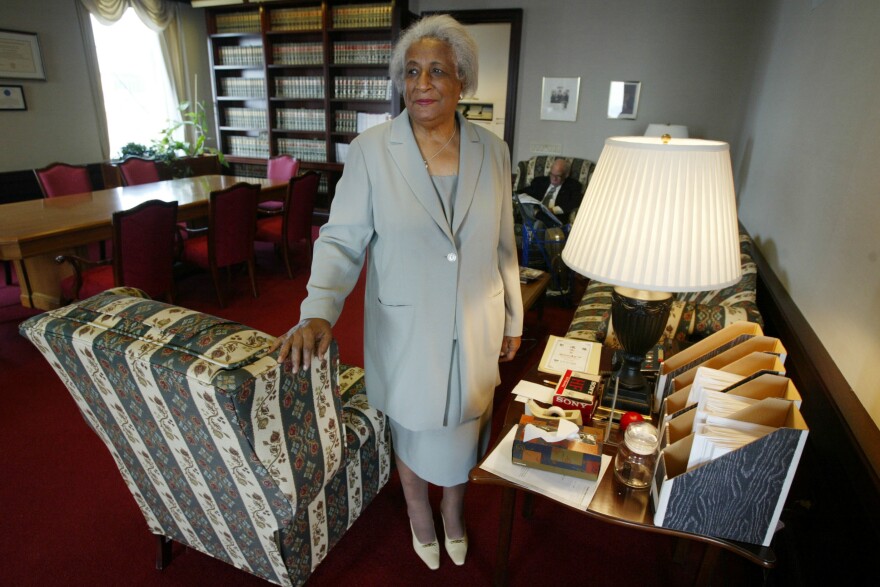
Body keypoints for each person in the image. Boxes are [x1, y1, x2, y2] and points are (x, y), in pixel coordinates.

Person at [270, 14, 523, 571]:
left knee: (466, 425)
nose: (422, 83)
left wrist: (513, 318)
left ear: (463, 81)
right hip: (407, 326)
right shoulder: (371, 150)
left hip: (476, 324)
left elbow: (504, 244)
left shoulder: (494, 151)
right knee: (409, 424)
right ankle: (418, 513)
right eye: (411, 71)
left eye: (437, 71)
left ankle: (453, 512)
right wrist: (318, 310)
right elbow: (340, 241)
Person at [519, 158, 584, 224]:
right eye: (552, 174)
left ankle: (539, 219)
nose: (554, 178)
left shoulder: (573, 186)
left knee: (540, 219)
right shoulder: (539, 181)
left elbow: (575, 202)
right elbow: (525, 191)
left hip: (554, 218)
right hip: (534, 212)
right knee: (524, 204)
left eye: (558, 176)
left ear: (566, 175)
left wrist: (553, 210)